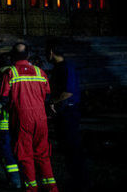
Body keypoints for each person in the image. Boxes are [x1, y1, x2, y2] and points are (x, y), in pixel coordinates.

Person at [0, 43, 59, 192]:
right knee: (43, 154)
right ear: (28, 55)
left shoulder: (10, 73)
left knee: (25, 155)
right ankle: (52, 188)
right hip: (41, 118)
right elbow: (47, 96)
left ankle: (32, 188)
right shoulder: (40, 72)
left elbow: (3, 97)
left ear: (12, 56)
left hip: (22, 119)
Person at [46, 41, 86, 192]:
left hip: (69, 112)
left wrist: (52, 102)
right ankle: (77, 180)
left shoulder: (65, 68)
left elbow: (68, 92)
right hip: (64, 112)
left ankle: (81, 182)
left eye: (46, 52)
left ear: (51, 52)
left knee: (72, 147)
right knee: (68, 148)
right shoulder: (60, 68)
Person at [0, 68, 22, 189]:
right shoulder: (17, 81)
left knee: (6, 153)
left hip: (4, 126)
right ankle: (25, 179)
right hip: (20, 124)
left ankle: (15, 181)